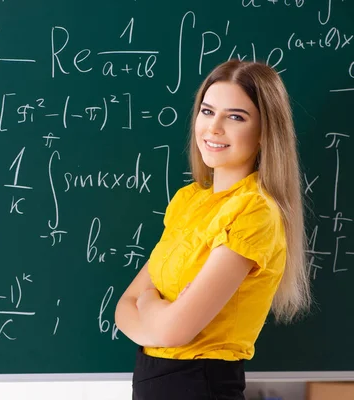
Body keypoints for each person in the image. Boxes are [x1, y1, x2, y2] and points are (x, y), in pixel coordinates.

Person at [114, 59, 313, 399]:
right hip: (153, 382)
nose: (214, 127)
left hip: (200, 386)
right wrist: (157, 315)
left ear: (265, 132)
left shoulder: (253, 212)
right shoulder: (188, 201)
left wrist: (148, 305)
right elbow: (122, 310)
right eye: (207, 111)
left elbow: (174, 330)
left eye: (235, 116)